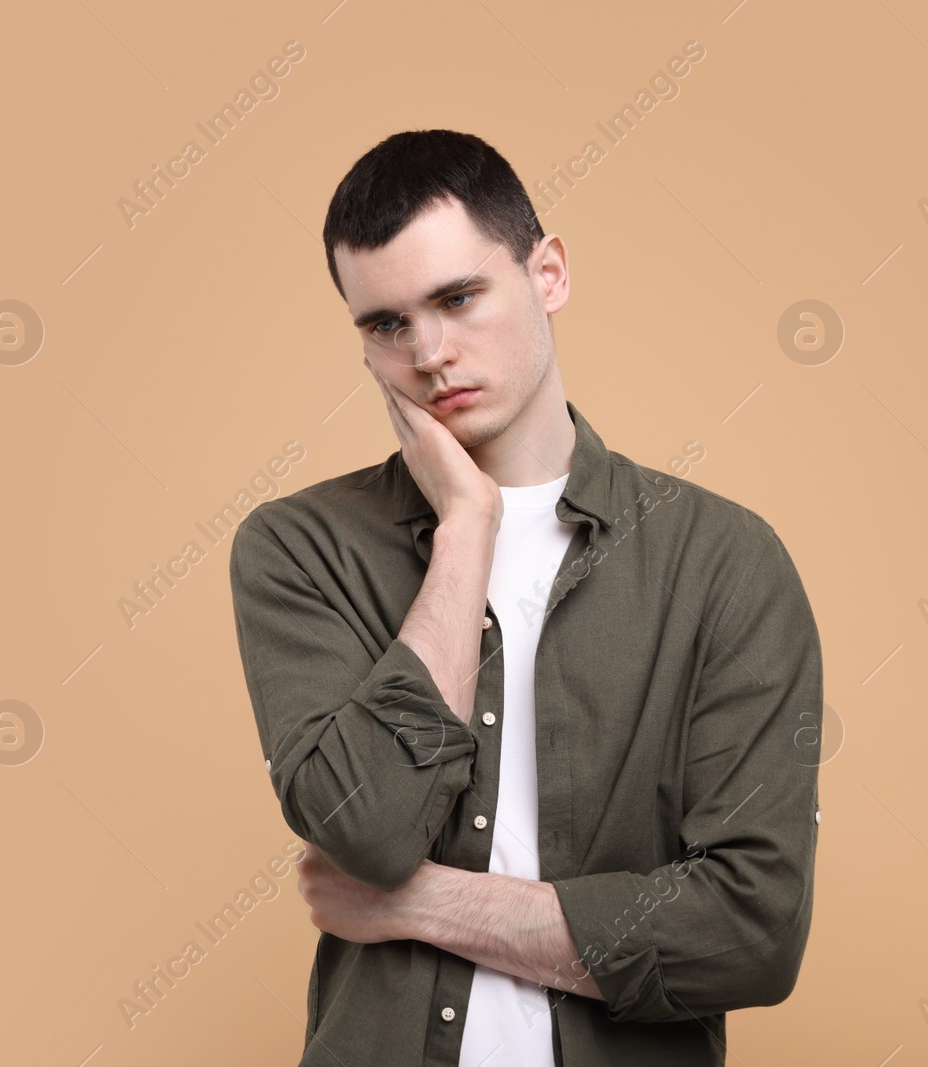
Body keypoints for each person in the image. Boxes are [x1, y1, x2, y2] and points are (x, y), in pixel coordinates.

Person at [226, 129, 823, 1066]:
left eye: (458, 298)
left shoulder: (723, 560)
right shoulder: (300, 548)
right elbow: (371, 829)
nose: (428, 353)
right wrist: (467, 525)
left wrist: (420, 904)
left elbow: (753, 932)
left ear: (547, 273)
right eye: (385, 325)